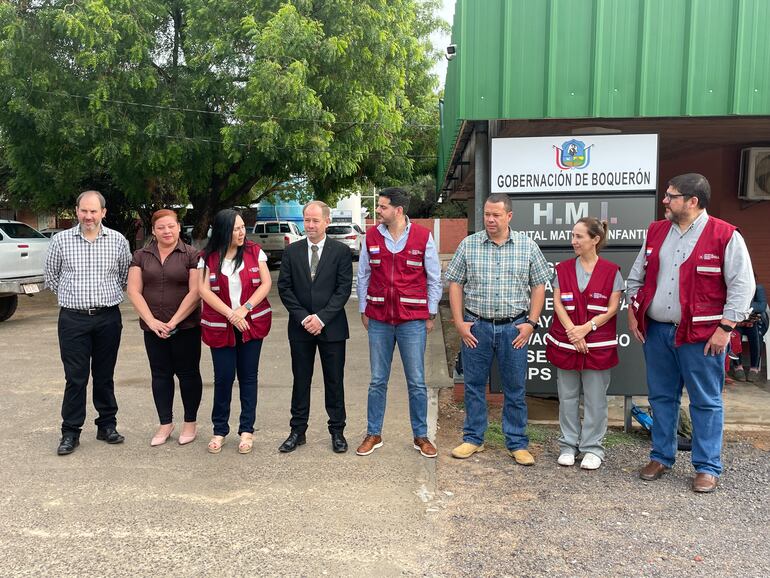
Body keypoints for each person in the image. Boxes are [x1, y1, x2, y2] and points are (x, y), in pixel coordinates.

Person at [627, 173, 754, 493]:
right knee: (660, 397)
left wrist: (726, 328)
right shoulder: (656, 232)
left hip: (703, 338)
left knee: (706, 401)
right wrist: (633, 312)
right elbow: (636, 278)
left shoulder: (725, 236)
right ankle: (661, 456)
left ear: (693, 201)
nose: (665, 201)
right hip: (657, 333)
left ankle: (707, 466)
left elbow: (742, 287)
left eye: (672, 196)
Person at [446, 193, 550, 465]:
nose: (490, 220)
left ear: (509, 216)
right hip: (476, 327)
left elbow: (539, 284)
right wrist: (459, 322)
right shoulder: (469, 245)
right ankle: (473, 438)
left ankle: (517, 443)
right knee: (473, 385)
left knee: (515, 387)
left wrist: (531, 323)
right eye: (487, 214)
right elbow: (455, 283)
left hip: (514, 329)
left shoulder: (527, 246)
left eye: (496, 215)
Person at [355, 187, 442, 458]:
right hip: (379, 318)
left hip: (412, 321)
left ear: (398, 211)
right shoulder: (370, 237)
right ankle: (373, 433)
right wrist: (363, 309)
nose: (377, 211)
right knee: (377, 380)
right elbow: (363, 275)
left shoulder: (422, 237)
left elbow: (434, 278)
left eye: (382, 207)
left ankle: (421, 436)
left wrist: (430, 313)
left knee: (416, 381)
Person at [44, 190, 132, 455]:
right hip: (73, 320)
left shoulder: (117, 241)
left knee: (105, 376)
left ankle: (107, 426)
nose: (88, 216)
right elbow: (51, 276)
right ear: (76, 211)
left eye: (94, 211)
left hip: (108, 318)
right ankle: (70, 432)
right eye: (84, 210)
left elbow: (125, 276)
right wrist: (74, 297)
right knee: (76, 377)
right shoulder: (61, 241)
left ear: (103, 212)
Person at [546, 217, 624, 470]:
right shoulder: (563, 269)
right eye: (573, 235)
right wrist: (572, 331)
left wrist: (586, 329)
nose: (573, 241)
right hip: (567, 343)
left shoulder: (612, 271)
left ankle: (593, 448)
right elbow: (558, 303)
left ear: (595, 240)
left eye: (579, 236)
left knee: (595, 399)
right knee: (567, 397)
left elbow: (612, 308)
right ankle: (568, 445)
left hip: (596, 345)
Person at [277, 201, 353, 454]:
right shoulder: (292, 251)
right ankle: (297, 431)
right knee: (301, 380)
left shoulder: (340, 252)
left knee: (334, 381)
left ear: (327, 222)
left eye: (315, 221)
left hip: (331, 329)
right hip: (300, 329)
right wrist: (303, 318)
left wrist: (320, 318)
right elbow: (284, 289)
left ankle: (337, 431)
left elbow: (342, 290)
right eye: (306, 220)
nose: (310, 225)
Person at [198, 209, 272, 455]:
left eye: (243, 227)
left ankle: (246, 430)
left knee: (249, 378)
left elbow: (266, 283)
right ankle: (219, 430)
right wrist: (231, 314)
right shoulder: (208, 257)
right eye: (236, 228)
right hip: (221, 327)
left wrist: (245, 309)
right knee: (223, 378)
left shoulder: (254, 251)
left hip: (251, 324)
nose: (241, 232)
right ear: (223, 230)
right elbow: (204, 290)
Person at [127, 209, 203, 447]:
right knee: (160, 375)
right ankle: (165, 424)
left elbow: (196, 291)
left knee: (188, 374)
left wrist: (174, 322)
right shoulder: (141, 255)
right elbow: (133, 290)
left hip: (186, 327)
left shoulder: (191, 254)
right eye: (161, 227)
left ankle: (190, 423)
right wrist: (151, 321)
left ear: (179, 227)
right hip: (153, 328)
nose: (167, 231)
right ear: (153, 230)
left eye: (171, 226)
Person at [730, 277, 767, 382]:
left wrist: (743, 306)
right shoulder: (735, 289)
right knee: (733, 335)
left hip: (754, 322)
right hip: (738, 322)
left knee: (756, 335)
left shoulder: (758, 288)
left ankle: (754, 368)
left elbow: (762, 306)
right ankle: (738, 367)